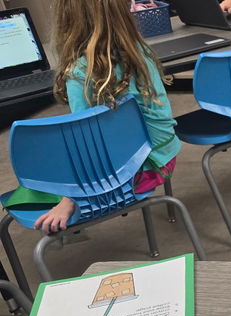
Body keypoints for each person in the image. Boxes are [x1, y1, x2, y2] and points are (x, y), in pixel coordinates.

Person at [24, 0, 180, 234]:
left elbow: (85, 145)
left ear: (66, 19)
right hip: (165, 157)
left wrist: (70, 199)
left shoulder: (79, 74)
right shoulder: (140, 51)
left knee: (36, 171)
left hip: (134, 175)